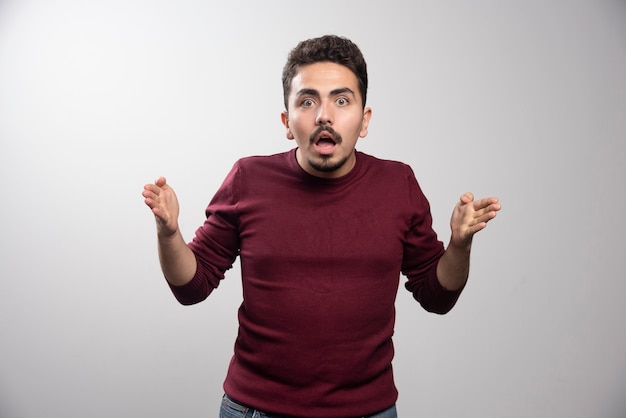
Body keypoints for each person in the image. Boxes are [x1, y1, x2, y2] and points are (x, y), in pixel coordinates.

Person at [142, 34, 500, 418]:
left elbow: (437, 296)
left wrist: (459, 245)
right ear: (286, 121)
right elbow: (192, 287)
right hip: (256, 409)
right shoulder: (248, 178)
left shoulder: (398, 184)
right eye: (307, 101)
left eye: (341, 100)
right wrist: (169, 234)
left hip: (368, 410)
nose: (324, 115)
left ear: (364, 121)